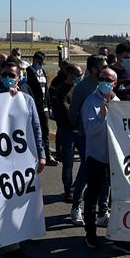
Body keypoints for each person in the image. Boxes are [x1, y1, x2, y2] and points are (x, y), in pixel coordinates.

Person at [0, 61, 45, 258]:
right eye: (5, 74)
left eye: (12, 74)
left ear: (19, 78)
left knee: (14, 202)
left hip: (20, 161)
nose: (8, 77)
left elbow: (36, 127)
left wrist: (42, 154)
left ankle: (13, 245)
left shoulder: (26, 100)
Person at [81, 67, 130, 254]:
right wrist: (102, 115)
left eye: (109, 79)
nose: (104, 81)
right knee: (92, 196)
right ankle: (90, 233)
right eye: (102, 77)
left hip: (115, 159)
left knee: (118, 197)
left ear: (115, 83)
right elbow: (89, 129)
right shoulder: (91, 102)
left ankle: (119, 236)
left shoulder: (118, 102)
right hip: (96, 157)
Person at [67, 55, 108, 225]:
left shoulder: (107, 87)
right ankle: (76, 207)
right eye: (102, 66)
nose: (106, 68)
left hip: (105, 138)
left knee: (106, 176)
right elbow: (73, 113)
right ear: (93, 69)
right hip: (86, 138)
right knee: (85, 174)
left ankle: (102, 212)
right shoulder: (82, 88)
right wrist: (83, 129)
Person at [52, 62, 83, 203]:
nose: (80, 77)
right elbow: (68, 111)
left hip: (79, 129)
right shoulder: (61, 91)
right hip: (67, 130)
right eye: (78, 75)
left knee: (86, 161)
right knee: (68, 163)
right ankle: (68, 190)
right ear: (70, 75)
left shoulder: (78, 88)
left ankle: (77, 186)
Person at [25, 52, 54, 165]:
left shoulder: (42, 72)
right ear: (34, 60)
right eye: (39, 62)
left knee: (45, 131)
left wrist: (49, 105)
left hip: (44, 107)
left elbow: (46, 90)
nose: (41, 64)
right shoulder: (29, 72)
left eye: (42, 62)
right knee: (35, 130)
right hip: (35, 107)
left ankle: (47, 154)